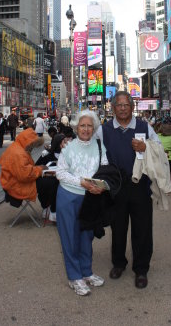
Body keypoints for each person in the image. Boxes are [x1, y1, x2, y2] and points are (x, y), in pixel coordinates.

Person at [96, 91, 162, 289]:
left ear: (132, 107)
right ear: (113, 108)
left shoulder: (144, 127)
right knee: (118, 228)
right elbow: (94, 151)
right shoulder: (104, 130)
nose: (123, 108)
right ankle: (118, 263)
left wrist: (145, 147)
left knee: (142, 229)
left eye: (126, 105)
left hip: (140, 186)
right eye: (119, 105)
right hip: (116, 187)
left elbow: (159, 150)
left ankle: (141, 270)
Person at [56, 109, 108, 296]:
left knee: (87, 237)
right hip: (68, 197)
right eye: (82, 125)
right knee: (70, 238)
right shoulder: (68, 147)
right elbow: (60, 173)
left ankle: (86, 272)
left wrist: (101, 186)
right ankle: (74, 277)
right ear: (76, 127)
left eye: (89, 126)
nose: (86, 129)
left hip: (90, 198)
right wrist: (82, 182)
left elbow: (105, 170)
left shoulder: (100, 145)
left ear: (94, 128)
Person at [0, 128, 58, 220]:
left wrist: (39, 170)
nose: (32, 147)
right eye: (32, 145)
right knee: (51, 183)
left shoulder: (18, 147)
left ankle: (47, 208)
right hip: (17, 185)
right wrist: (40, 169)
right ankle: (50, 209)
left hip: (15, 182)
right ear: (28, 142)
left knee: (48, 181)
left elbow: (26, 171)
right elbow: (25, 175)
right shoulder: (19, 153)